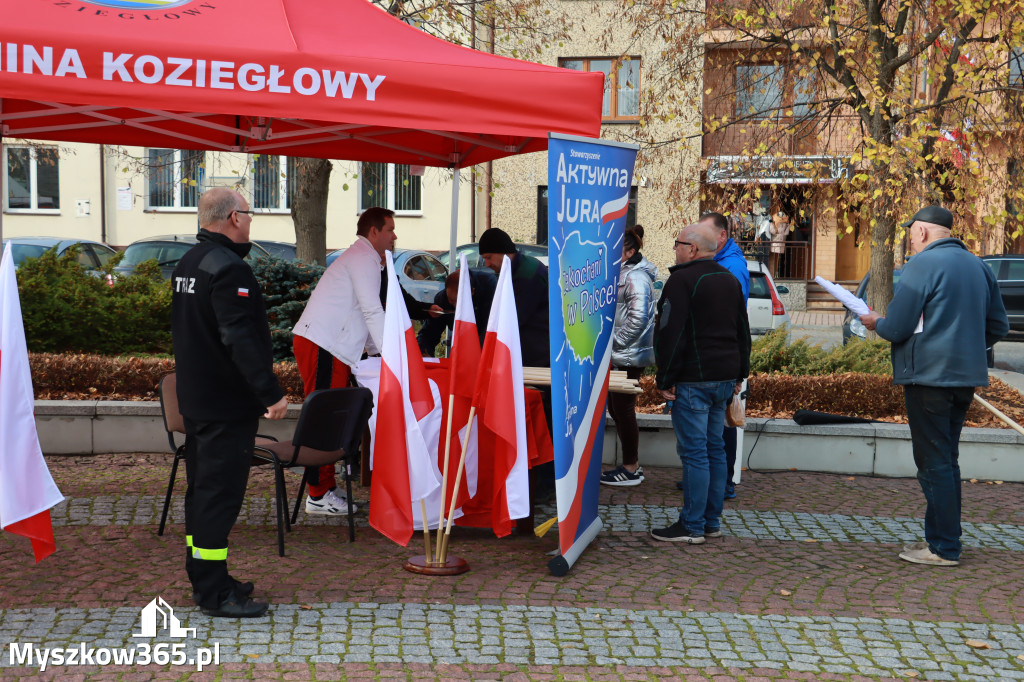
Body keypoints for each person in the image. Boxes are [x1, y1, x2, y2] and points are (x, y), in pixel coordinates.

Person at [860, 205, 1008, 567]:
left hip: (927, 377)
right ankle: (941, 540)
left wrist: (875, 321)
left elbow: (897, 328)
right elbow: (999, 327)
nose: (910, 240)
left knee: (934, 463)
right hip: (964, 378)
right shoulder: (978, 266)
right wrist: (967, 347)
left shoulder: (921, 266)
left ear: (923, 233)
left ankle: (943, 548)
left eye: (911, 234)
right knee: (947, 460)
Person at [172, 187, 289, 618]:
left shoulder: (190, 262)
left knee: (202, 494)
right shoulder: (229, 269)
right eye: (249, 213)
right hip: (224, 406)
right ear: (234, 218)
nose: (251, 221)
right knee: (217, 499)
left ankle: (210, 578)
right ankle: (213, 594)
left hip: (199, 402)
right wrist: (270, 393)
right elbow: (239, 338)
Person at [291, 207, 397, 515]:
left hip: (326, 344)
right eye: (389, 229)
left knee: (330, 417)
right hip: (323, 344)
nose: (394, 236)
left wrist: (379, 351)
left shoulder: (363, 258)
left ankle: (327, 488)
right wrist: (392, 355)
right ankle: (316, 494)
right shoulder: (363, 258)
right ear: (373, 232)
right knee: (323, 418)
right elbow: (371, 312)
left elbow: (362, 317)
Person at [651, 223, 750, 544]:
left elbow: (669, 333)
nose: (674, 249)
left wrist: (664, 378)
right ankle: (710, 522)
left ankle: (692, 525)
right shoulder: (730, 280)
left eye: (677, 243)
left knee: (696, 453)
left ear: (692, 249)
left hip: (693, 380)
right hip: (723, 379)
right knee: (715, 449)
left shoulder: (681, 280)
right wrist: (739, 375)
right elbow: (743, 333)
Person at [600, 225, 657, 486]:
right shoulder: (626, 272)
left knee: (623, 409)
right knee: (618, 408)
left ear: (629, 252)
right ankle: (630, 465)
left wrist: (612, 345)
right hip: (623, 354)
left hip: (628, 356)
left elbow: (639, 318)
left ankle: (631, 468)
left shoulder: (636, 277)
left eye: (615, 250)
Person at [702, 211, 751, 500]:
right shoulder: (719, 261)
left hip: (723, 355)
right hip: (721, 354)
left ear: (722, 236)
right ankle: (708, 478)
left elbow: (730, 314)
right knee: (715, 422)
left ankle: (724, 483)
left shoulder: (731, 267)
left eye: (707, 234)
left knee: (722, 423)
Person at [477, 228, 549, 368]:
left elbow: (509, 319)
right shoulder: (517, 268)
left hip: (537, 358)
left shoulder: (526, 275)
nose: (486, 264)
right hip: (531, 353)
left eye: (489, 257)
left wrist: (480, 347)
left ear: (503, 251)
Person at [417, 267, 497, 357]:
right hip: (461, 350)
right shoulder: (442, 300)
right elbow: (429, 332)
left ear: (472, 291)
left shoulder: (489, 288)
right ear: (446, 292)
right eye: (452, 300)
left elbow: (491, 331)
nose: (456, 306)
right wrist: (423, 352)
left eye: (461, 301)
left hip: (489, 351)